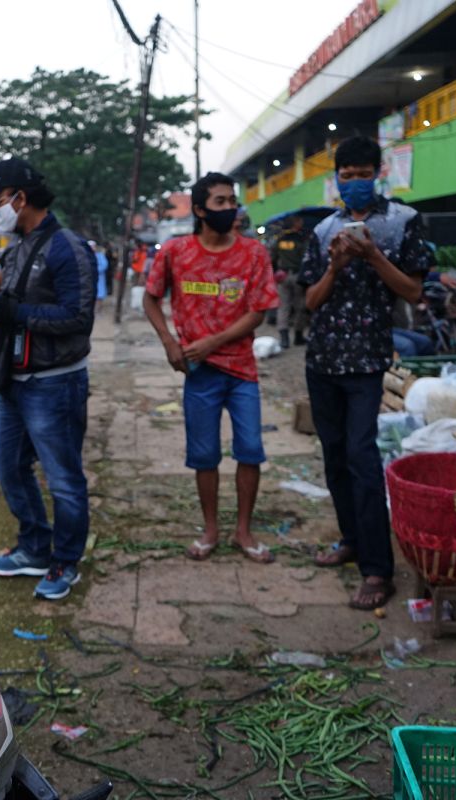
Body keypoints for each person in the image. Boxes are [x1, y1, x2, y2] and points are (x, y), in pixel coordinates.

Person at [300, 136, 430, 610]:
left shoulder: (402, 222)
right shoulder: (323, 230)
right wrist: (334, 266)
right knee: (334, 455)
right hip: (322, 359)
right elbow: (311, 302)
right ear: (336, 179)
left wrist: (374, 256)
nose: (354, 182)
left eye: (362, 173)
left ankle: (378, 570)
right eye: (346, 175)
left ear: (379, 172)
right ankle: (351, 539)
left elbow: (414, 292)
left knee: (361, 455)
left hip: (368, 360)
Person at [0, 157, 97, 601]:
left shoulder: (68, 247)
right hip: (15, 379)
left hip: (55, 382)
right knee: (8, 467)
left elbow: (79, 318)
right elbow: (13, 305)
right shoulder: (19, 246)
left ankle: (65, 561)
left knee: (64, 478)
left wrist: (16, 313)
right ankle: (34, 547)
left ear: (20, 198)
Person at [142, 172, 279, 564]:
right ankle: (211, 530)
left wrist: (212, 342)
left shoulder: (253, 254)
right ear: (200, 210)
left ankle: (244, 532)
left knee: (250, 450)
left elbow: (259, 312)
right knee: (204, 456)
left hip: (242, 372)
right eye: (220, 202)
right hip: (198, 374)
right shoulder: (175, 251)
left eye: (231, 201)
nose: (230, 208)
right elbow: (151, 300)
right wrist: (170, 342)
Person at [272, 215, 308, 348]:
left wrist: (276, 271)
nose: (302, 222)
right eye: (300, 220)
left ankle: (284, 338)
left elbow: (272, 257)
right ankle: (298, 336)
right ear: (295, 223)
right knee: (300, 306)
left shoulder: (280, 239)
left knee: (283, 306)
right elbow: (306, 258)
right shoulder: (301, 239)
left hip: (283, 276)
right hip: (298, 276)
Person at [89, 240, 109, 311]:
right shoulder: (86, 255)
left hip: (99, 278)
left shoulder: (100, 255)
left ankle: (98, 308)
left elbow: (104, 265)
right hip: (89, 278)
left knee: (99, 293)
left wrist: (95, 270)